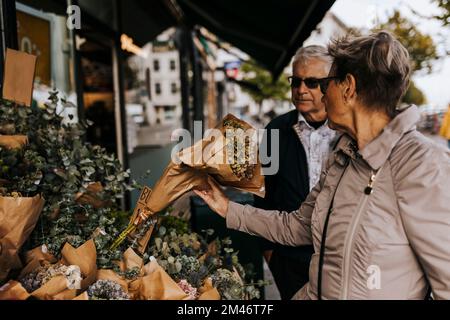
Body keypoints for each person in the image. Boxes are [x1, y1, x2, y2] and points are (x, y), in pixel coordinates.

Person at [194, 31, 450, 299]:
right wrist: (226, 207)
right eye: (298, 82)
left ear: (348, 87)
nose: (320, 94)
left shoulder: (424, 166)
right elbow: (298, 227)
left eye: (325, 83)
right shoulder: (342, 158)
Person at [254, 45, 336, 300]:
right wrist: (271, 254)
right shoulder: (274, 131)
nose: (301, 90)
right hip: (288, 259)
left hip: (339, 257)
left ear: (330, 84)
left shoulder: (347, 130)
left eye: (312, 82)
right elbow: (262, 193)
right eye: (296, 81)